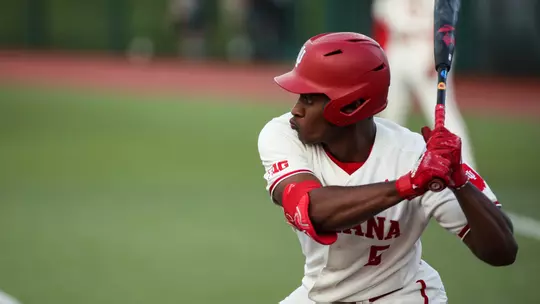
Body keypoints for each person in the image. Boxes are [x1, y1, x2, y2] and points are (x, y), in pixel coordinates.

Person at [257, 32, 517, 304]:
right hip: (320, 295)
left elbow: (503, 252)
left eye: (309, 99)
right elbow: (313, 210)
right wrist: (409, 185)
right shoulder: (282, 134)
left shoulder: (413, 154)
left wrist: (459, 181)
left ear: (352, 105)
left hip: (402, 296)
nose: (296, 110)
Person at [371, 0, 477, 168]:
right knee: (390, 115)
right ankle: (388, 166)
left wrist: (436, 54)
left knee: (444, 112)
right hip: (396, 48)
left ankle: (466, 167)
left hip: (425, 46)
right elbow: (381, 25)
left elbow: (445, 22)